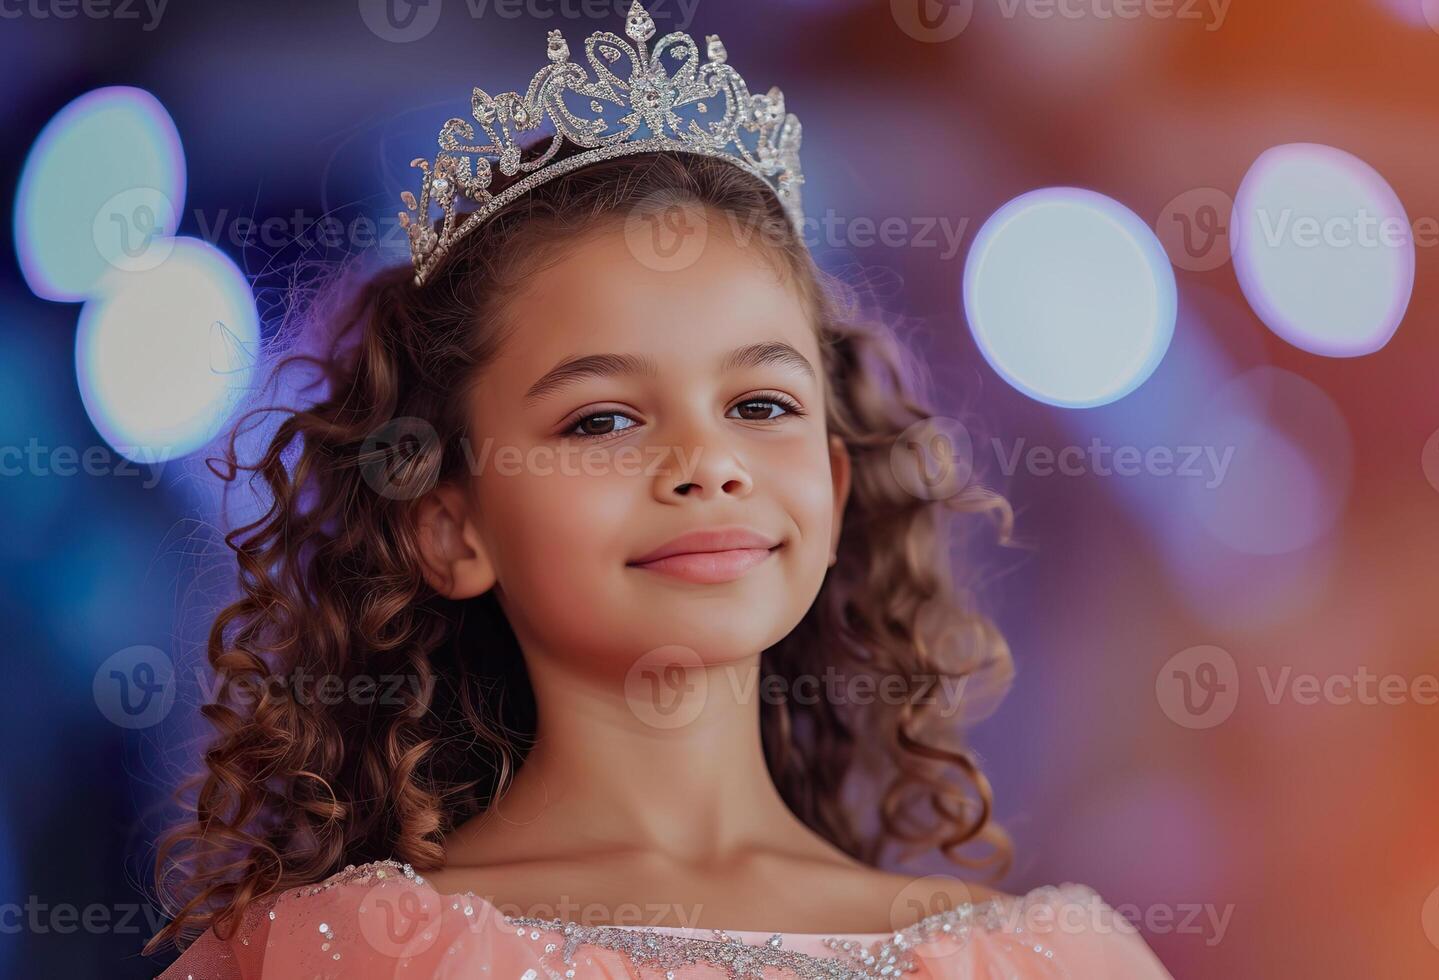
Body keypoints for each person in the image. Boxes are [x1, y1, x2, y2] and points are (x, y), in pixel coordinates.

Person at [147, 5, 1174, 977]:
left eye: (762, 404)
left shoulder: (1051, 959)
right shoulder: (342, 951)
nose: (706, 462)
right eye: (603, 418)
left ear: (834, 479)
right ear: (449, 524)